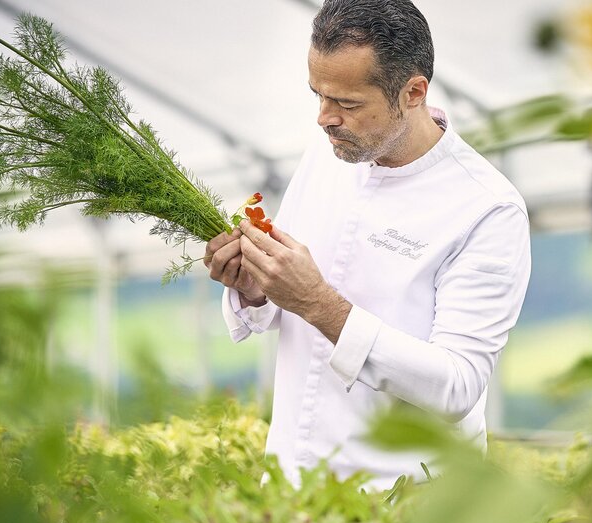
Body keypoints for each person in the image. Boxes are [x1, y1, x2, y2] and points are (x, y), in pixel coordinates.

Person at [203, 0, 531, 490]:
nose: (324, 118)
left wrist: (319, 304)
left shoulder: (486, 207)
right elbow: (284, 306)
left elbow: (457, 385)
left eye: (348, 104)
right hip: (288, 488)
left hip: (402, 501)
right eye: (318, 95)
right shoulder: (328, 153)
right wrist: (255, 287)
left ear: (413, 92)